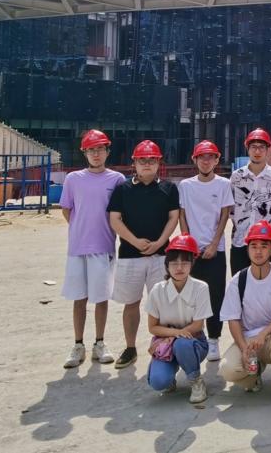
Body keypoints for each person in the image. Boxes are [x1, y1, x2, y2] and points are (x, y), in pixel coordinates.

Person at [108, 140, 180, 369]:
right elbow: (114, 219)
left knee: (162, 305)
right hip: (131, 256)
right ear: (135, 163)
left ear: (159, 163)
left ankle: (164, 348)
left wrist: (159, 242)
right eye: (142, 160)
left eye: (152, 160)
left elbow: (174, 217)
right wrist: (135, 241)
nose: (147, 164)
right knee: (131, 303)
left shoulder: (169, 189)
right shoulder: (122, 189)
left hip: (161, 257)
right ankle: (130, 348)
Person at [60, 129, 125, 368]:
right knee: (79, 297)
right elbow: (67, 209)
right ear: (84, 153)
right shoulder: (73, 179)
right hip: (78, 248)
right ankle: (78, 345)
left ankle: (100, 343)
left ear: (108, 151)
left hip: (103, 246)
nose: (96, 154)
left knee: (101, 297)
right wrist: (81, 228)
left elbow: (120, 212)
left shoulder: (117, 180)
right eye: (91, 150)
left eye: (100, 149)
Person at [219, 221, 271, 405]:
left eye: (264, 246)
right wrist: (244, 348)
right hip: (248, 341)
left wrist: (263, 334)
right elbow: (233, 319)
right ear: (247, 249)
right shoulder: (238, 280)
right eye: (253, 246)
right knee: (227, 369)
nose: (258, 251)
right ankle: (254, 375)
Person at [178, 140, 233, 362]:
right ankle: (193, 335)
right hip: (192, 252)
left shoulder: (223, 184)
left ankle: (214, 339)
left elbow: (224, 215)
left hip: (215, 251)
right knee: (191, 297)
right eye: (202, 157)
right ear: (195, 160)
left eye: (211, 157)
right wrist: (187, 244)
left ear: (217, 160)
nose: (206, 161)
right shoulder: (186, 185)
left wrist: (214, 244)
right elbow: (182, 215)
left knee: (216, 296)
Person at [145, 234, 212, 404]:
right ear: (167, 265)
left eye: (185, 263)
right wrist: (175, 334)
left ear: (192, 264)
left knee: (182, 344)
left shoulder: (201, 288)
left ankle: (195, 380)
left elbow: (198, 325)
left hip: (193, 343)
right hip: (165, 343)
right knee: (158, 382)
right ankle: (167, 373)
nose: (179, 267)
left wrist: (176, 337)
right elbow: (152, 327)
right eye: (174, 263)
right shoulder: (157, 290)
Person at [229, 128, 271, 276]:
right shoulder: (237, 176)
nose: (257, 151)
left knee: (263, 282)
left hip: (264, 242)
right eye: (253, 147)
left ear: (267, 150)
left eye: (261, 147)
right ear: (248, 149)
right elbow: (230, 210)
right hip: (240, 240)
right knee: (239, 282)